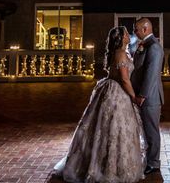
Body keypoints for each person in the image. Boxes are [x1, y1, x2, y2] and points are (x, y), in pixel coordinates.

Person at [54, 26, 146, 183]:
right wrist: (134, 97)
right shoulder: (121, 53)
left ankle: (107, 163)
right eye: (125, 34)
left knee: (107, 129)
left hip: (111, 89)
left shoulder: (121, 52)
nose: (128, 36)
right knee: (114, 129)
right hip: (118, 94)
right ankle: (110, 168)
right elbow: (124, 79)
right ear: (121, 38)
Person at [130, 18, 164, 175]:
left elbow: (151, 74)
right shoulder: (144, 45)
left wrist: (142, 95)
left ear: (145, 29)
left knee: (151, 131)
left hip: (150, 98)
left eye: (136, 29)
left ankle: (154, 163)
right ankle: (149, 160)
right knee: (146, 130)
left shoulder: (154, 47)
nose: (134, 32)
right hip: (142, 95)